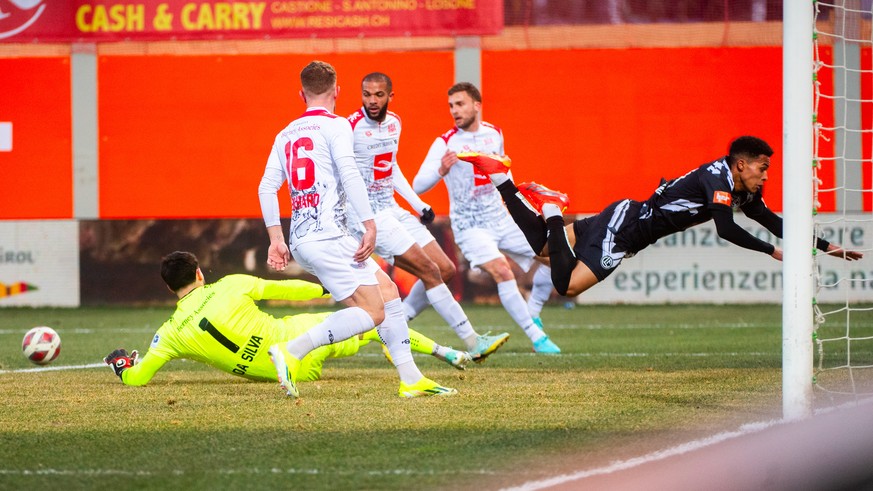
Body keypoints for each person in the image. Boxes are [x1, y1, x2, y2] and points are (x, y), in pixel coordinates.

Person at [257, 60, 456, 398]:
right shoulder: (337, 126)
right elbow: (350, 175)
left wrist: (276, 239)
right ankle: (292, 350)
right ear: (337, 91)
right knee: (373, 312)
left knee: (388, 292)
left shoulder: (285, 133)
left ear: (301, 94)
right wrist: (369, 225)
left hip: (303, 236)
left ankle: (410, 379)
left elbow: (266, 187)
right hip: (329, 236)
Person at [458, 135, 865, 298]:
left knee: (547, 247)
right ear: (741, 164)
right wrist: (772, 254)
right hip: (627, 228)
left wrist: (827, 247)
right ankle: (549, 206)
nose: (765, 175)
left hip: (626, 217)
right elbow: (725, 229)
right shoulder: (717, 178)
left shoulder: (740, 187)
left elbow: (775, 223)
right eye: (762, 167)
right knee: (566, 285)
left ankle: (502, 179)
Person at [103, 252, 474, 387]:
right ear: (199, 273)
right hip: (297, 338)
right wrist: (327, 289)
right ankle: (446, 352)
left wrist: (123, 366)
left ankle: (443, 354)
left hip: (289, 373)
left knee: (369, 326)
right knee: (373, 320)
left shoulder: (168, 334)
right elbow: (286, 289)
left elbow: (139, 378)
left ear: (170, 290)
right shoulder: (230, 285)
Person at [346, 72, 510, 362]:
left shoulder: (395, 123)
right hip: (369, 217)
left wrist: (418, 204)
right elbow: (342, 175)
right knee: (430, 271)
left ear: (390, 96)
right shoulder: (350, 127)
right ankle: (474, 341)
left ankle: (397, 328)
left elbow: (391, 168)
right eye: (367, 94)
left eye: (378, 95)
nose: (372, 101)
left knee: (444, 269)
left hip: (393, 208)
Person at [412, 82, 561, 354]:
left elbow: (504, 174)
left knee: (557, 256)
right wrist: (441, 170)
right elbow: (418, 184)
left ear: (476, 105)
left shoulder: (494, 134)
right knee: (502, 270)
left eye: (460, 104)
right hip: (471, 227)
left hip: (501, 219)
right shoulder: (445, 142)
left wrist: (520, 204)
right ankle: (537, 337)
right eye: (451, 106)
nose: (455, 111)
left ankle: (534, 311)